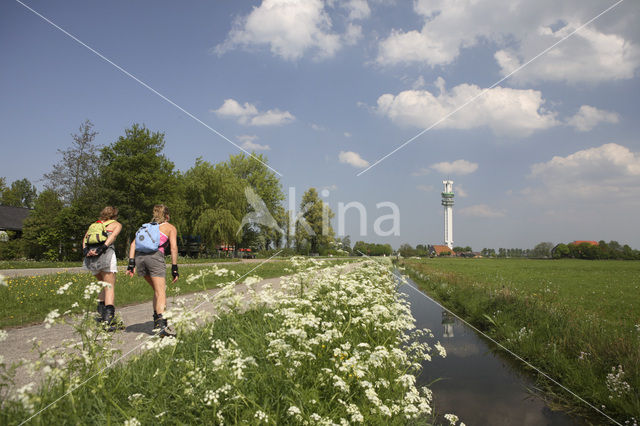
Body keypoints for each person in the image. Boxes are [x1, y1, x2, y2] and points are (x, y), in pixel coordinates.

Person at [126, 204, 179, 337]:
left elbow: (133, 244)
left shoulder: (146, 227)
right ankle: (161, 327)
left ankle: (157, 323)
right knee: (161, 292)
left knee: (157, 290)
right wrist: (174, 268)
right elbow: (173, 248)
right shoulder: (170, 228)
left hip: (139, 258)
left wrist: (131, 264)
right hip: (155, 258)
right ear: (167, 215)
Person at [82, 206, 123, 330]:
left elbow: (84, 239)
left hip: (90, 257)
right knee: (109, 286)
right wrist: (101, 249)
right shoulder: (116, 224)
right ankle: (109, 320)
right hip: (105, 255)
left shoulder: (94, 225)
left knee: (102, 285)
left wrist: (86, 251)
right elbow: (113, 237)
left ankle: (101, 316)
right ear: (114, 215)